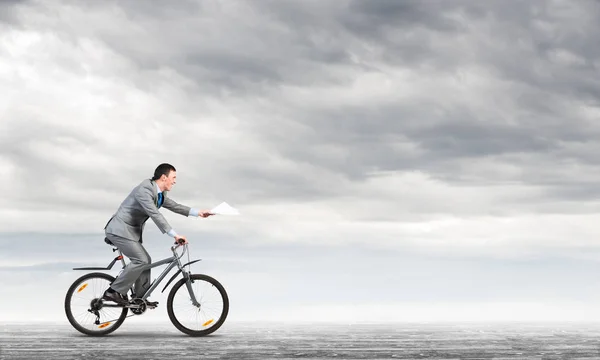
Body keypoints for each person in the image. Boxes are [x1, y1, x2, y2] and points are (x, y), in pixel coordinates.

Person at [101, 163, 214, 306]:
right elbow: (155, 214)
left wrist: (198, 212)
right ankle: (113, 291)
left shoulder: (159, 193)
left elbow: (174, 206)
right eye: (173, 177)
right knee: (141, 260)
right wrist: (175, 235)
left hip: (129, 231)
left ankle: (139, 298)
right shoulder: (144, 190)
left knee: (145, 261)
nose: (175, 181)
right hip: (119, 230)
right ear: (164, 177)